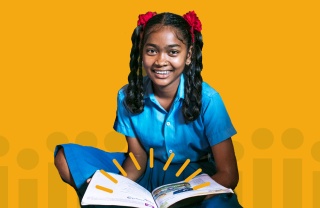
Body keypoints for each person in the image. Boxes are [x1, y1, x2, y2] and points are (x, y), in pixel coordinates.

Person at [54, 11, 242, 207]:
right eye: (152, 51)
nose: (161, 61)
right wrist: (115, 187)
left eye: (173, 52)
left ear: (189, 56)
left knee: (219, 205)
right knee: (67, 157)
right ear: (141, 52)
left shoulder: (209, 100)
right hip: (148, 172)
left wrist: (189, 195)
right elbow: (138, 157)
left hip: (195, 179)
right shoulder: (127, 96)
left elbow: (228, 174)